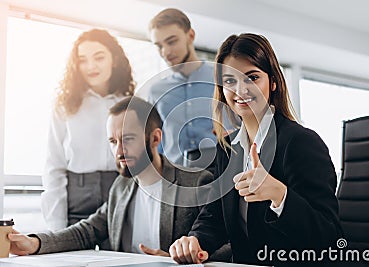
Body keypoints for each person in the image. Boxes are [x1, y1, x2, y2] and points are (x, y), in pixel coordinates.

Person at [169, 33, 343, 266]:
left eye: (251, 77)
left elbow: (329, 236)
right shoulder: (227, 149)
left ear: (272, 82)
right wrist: (195, 241)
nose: (240, 89)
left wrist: (280, 195)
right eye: (230, 81)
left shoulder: (301, 142)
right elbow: (214, 216)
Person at [9, 96, 230, 258]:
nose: (119, 152)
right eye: (113, 142)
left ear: (155, 138)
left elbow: (228, 245)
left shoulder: (196, 182)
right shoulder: (121, 187)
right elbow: (87, 231)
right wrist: (34, 243)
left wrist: (187, 260)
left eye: (128, 139)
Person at [41, 28, 135, 231]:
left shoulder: (130, 104)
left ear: (114, 60)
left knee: (120, 261)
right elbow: (53, 165)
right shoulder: (65, 106)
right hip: (76, 195)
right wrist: (57, 225)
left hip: (120, 189)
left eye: (99, 57)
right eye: (82, 59)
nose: (90, 66)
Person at [146, 8, 232, 166]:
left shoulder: (223, 77)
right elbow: (154, 142)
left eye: (172, 41)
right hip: (176, 178)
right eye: (159, 46)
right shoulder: (155, 91)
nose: (166, 51)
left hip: (223, 170)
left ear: (190, 36)